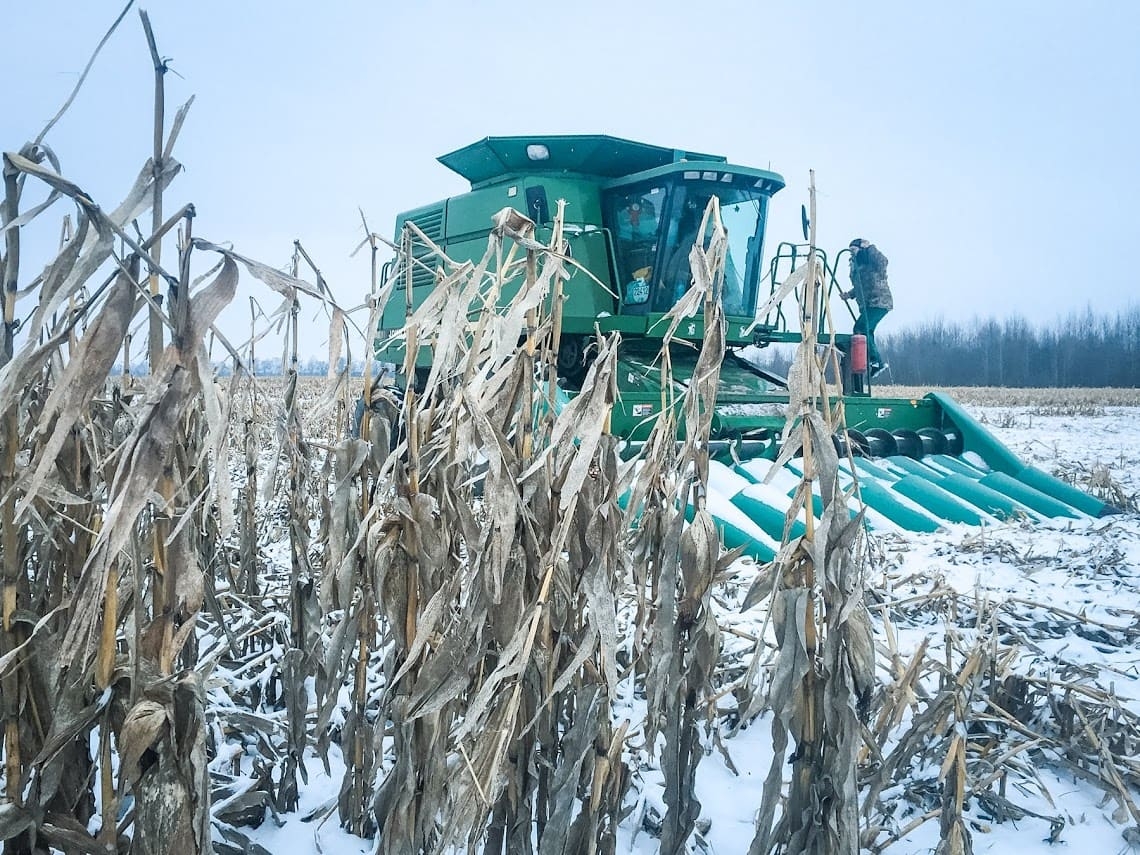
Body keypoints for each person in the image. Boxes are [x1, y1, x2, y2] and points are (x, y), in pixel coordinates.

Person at [842, 238, 893, 378]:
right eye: (850, 251)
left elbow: (884, 262)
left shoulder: (872, 261)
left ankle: (875, 361)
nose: (852, 254)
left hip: (879, 302)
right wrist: (849, 294)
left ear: (861, 249)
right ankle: (876, 362)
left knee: (861, 327)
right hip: (868, 304)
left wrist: (870, 247)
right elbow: (861, 286)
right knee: (866, 330)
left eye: (854, 250)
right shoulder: (859, 266)